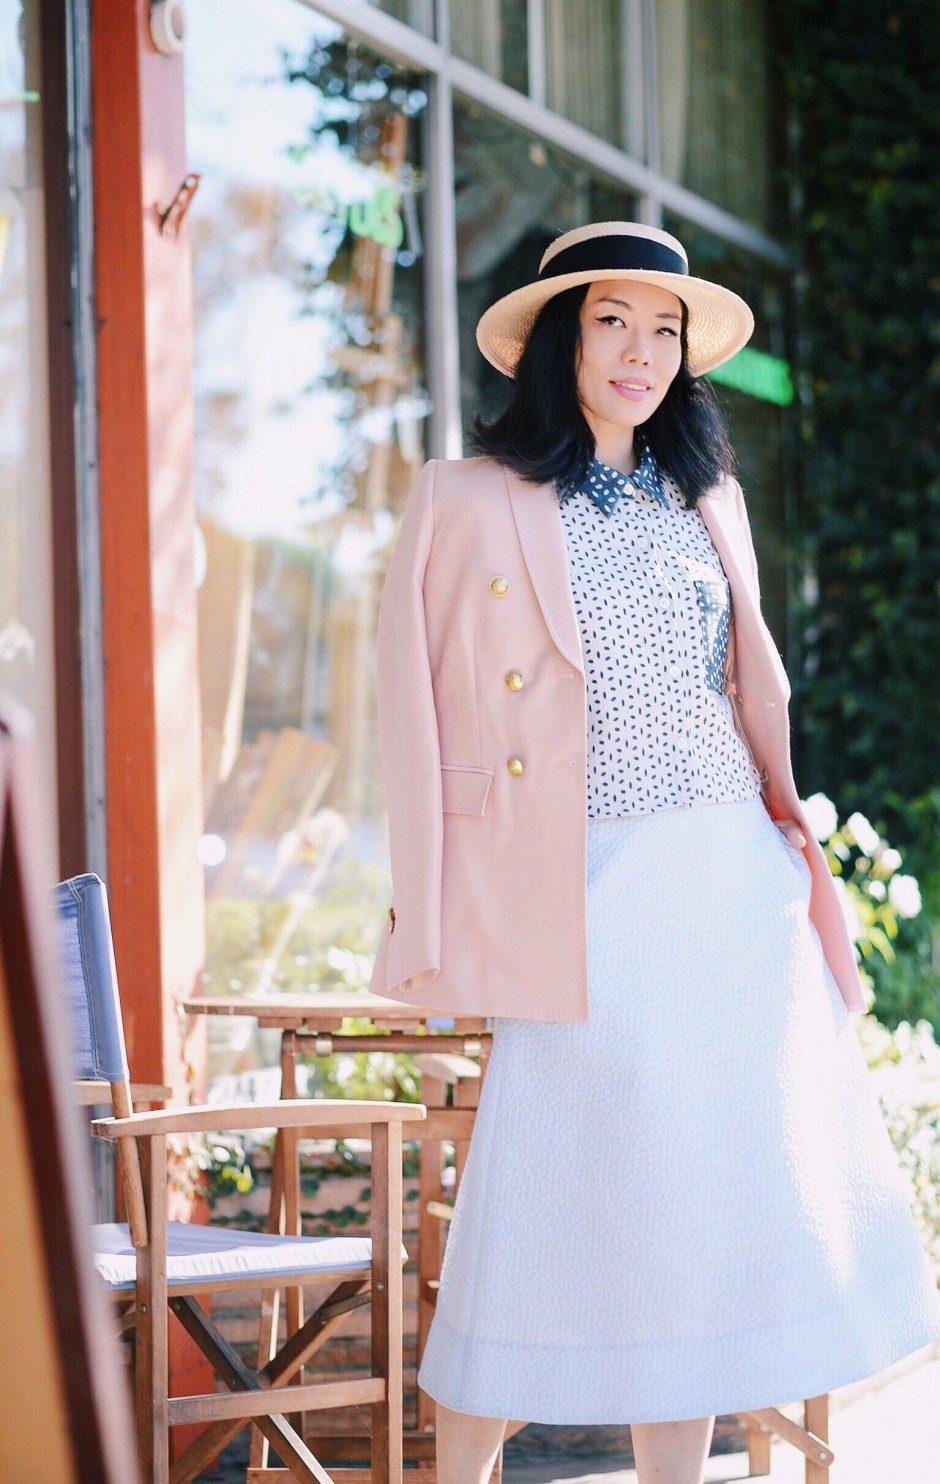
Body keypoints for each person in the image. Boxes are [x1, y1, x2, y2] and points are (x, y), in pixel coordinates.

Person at [369, 222, 940, 1484]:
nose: (640, 350)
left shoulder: (708, 501)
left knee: (694, 1221)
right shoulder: (464, 497)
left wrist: (784, 860)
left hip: (729, 892)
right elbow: (409, 718)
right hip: (572, 892)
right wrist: (430, 920)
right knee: (534, 1203)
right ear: (560, 339)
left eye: (663, 328)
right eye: (612, 321)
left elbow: (742, 697)